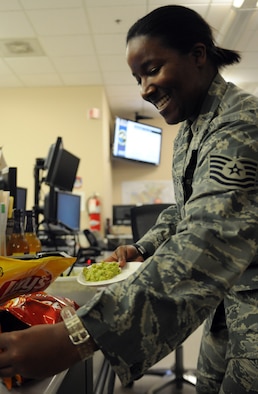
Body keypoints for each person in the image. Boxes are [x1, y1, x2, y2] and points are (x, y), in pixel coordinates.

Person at [0, 5, 258, 393]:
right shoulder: (192, 128)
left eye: (152, 69)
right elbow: (186, 210)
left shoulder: (239, 126)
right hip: (224, 311)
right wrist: (141, 247)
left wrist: (77, 336)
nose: (144, 89)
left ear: (198, 55)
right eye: (138, 78)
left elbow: (208, 242)